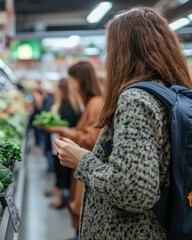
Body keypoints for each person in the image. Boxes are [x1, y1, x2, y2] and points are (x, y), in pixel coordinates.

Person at [55, 7, 192, 239]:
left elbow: (134, 191)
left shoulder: (136, 100)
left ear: (123, 52)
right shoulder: (170, 93)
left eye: (111, 50)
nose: (108, 60)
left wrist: (82, 160)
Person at [45, 61, 103, 236]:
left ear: (80, 80)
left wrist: (65, 132)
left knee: (81, 210)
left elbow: (92, 139)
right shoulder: (91, 103)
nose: (70, 86)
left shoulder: (95, 104)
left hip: (88, 167)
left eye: (71, 80)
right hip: (84, 169)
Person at [45, 78, 81, 208]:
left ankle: (61, 199)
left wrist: (53, 127)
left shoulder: (66, 105)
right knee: (62, 171)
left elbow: (65, 126)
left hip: (63, 143)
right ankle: (60, 194)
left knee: (62, 171)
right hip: (64, 143)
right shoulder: (70, 104)